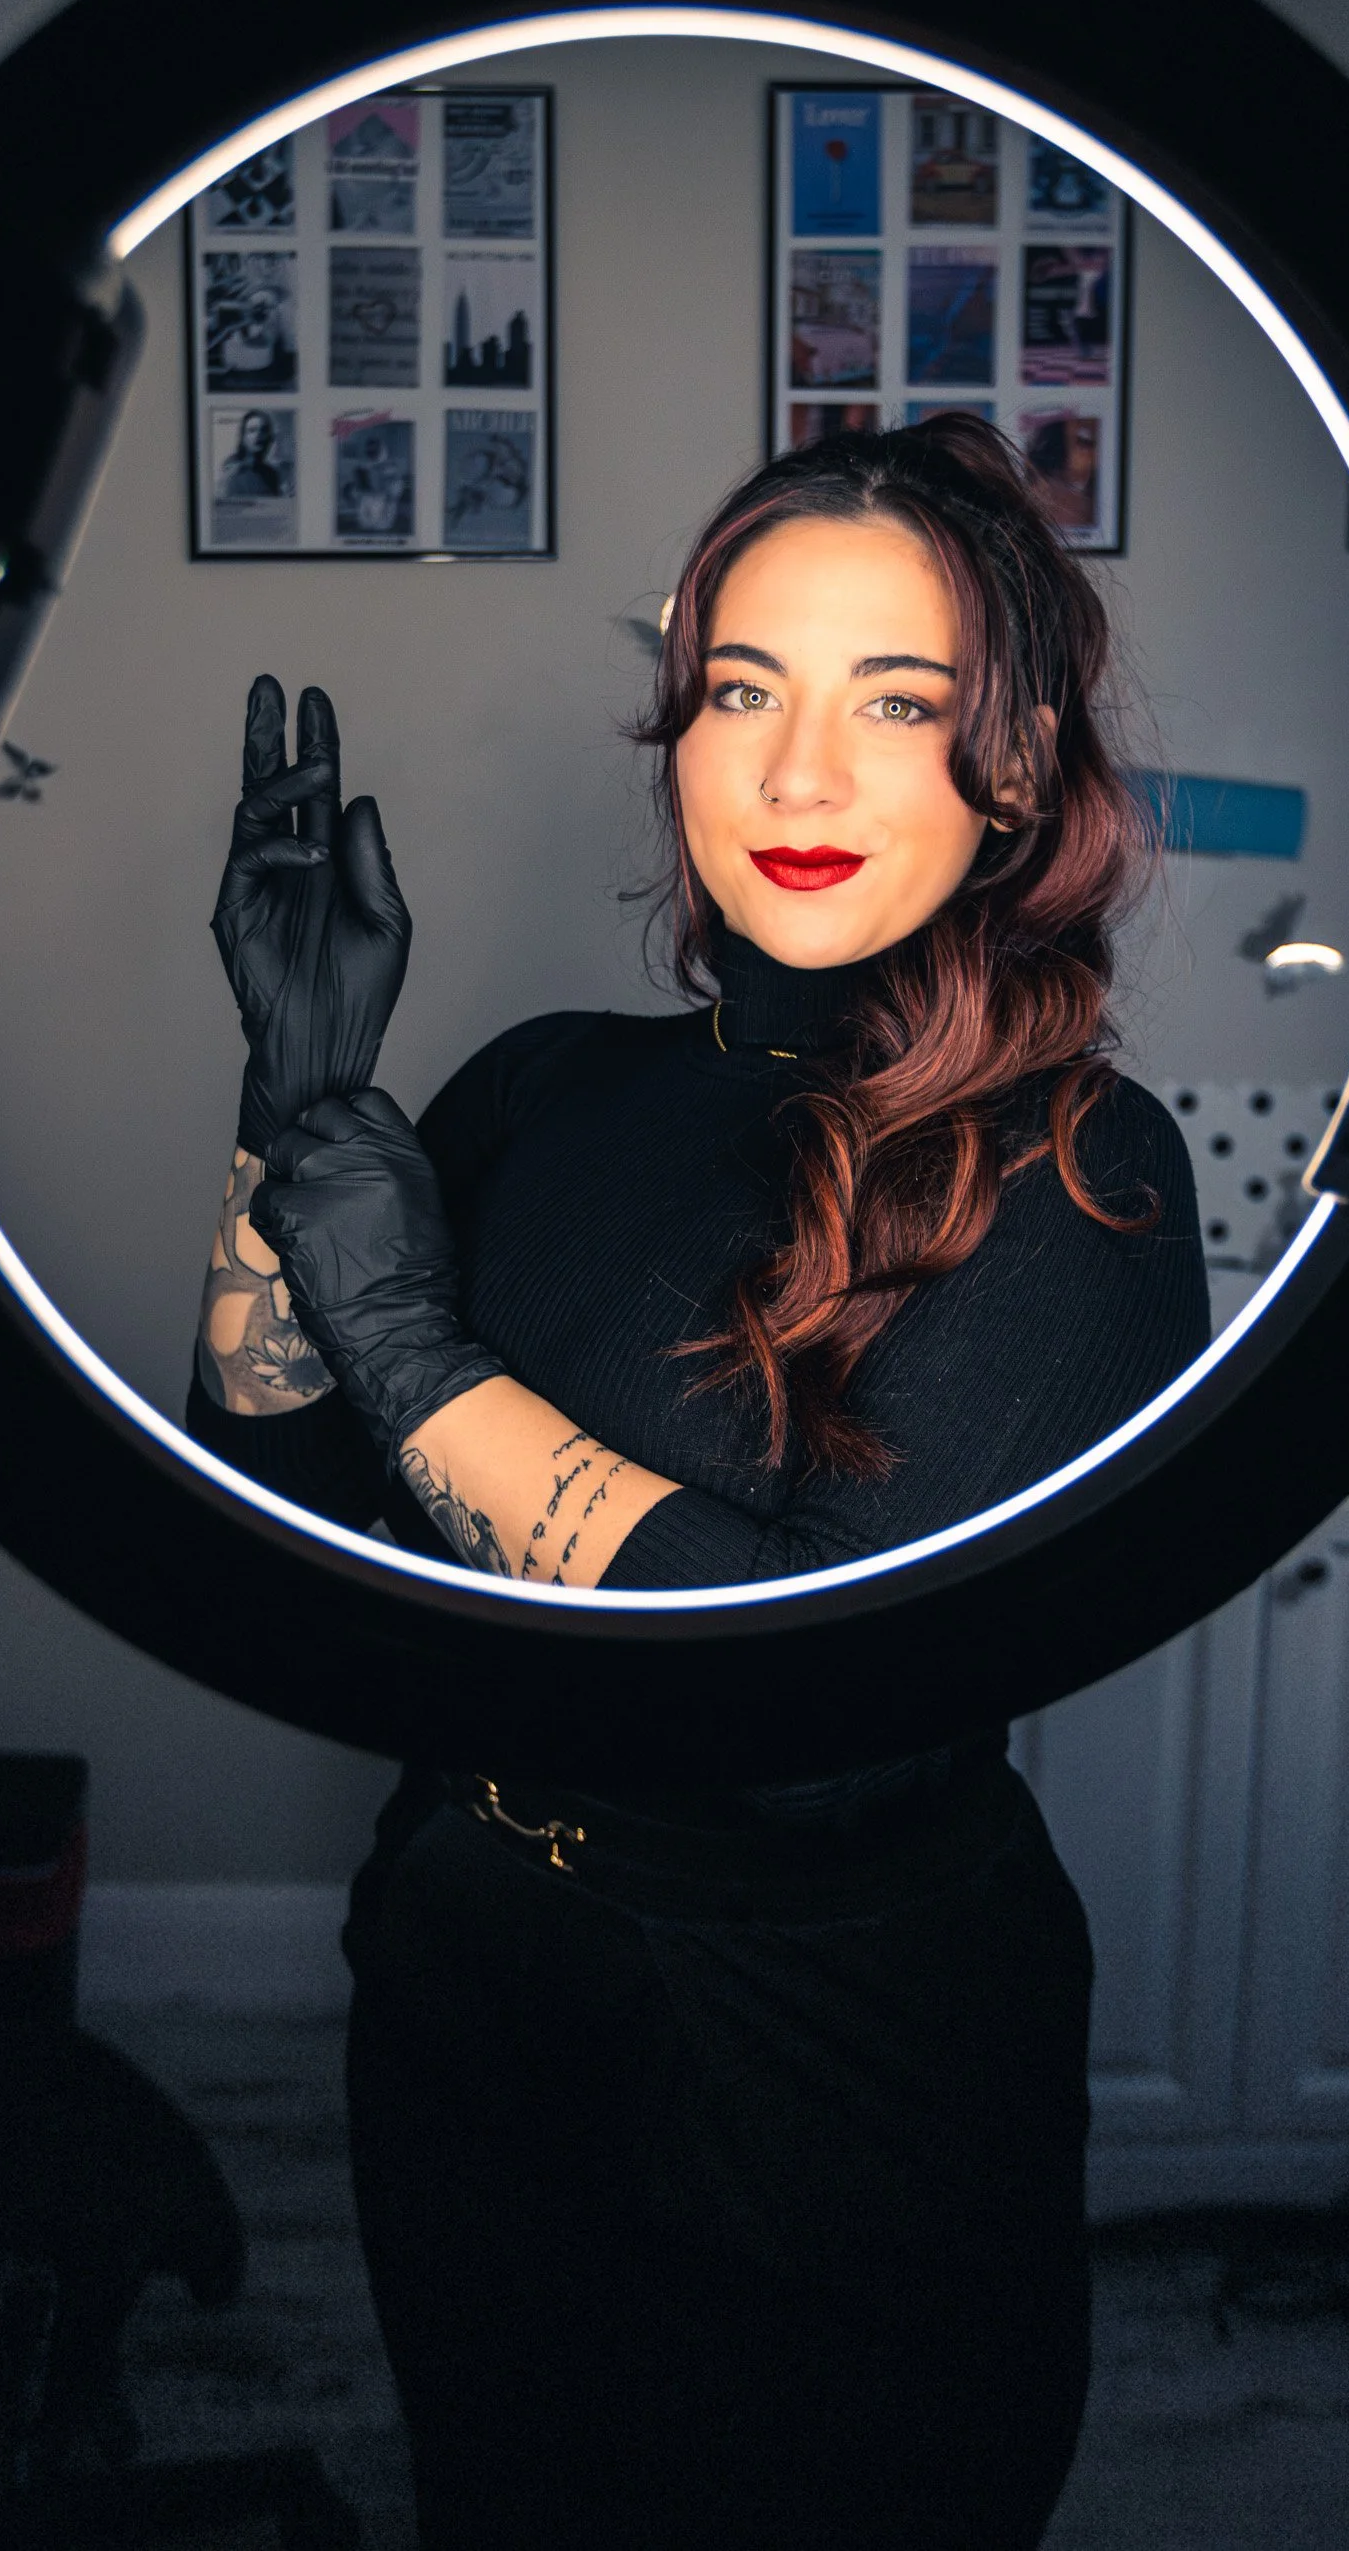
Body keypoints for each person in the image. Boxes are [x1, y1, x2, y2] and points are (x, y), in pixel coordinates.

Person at [186, 416, 1208, 2551]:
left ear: (1011, 766)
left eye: (894, 701)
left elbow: (819, 1731)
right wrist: (296, 1119)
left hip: (829, 2042)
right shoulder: (548, 1081)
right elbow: (270, 1477)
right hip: (465, 1961)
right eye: (742, 687)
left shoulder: (1077, 1171)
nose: (795, 773)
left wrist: (413, 1343)